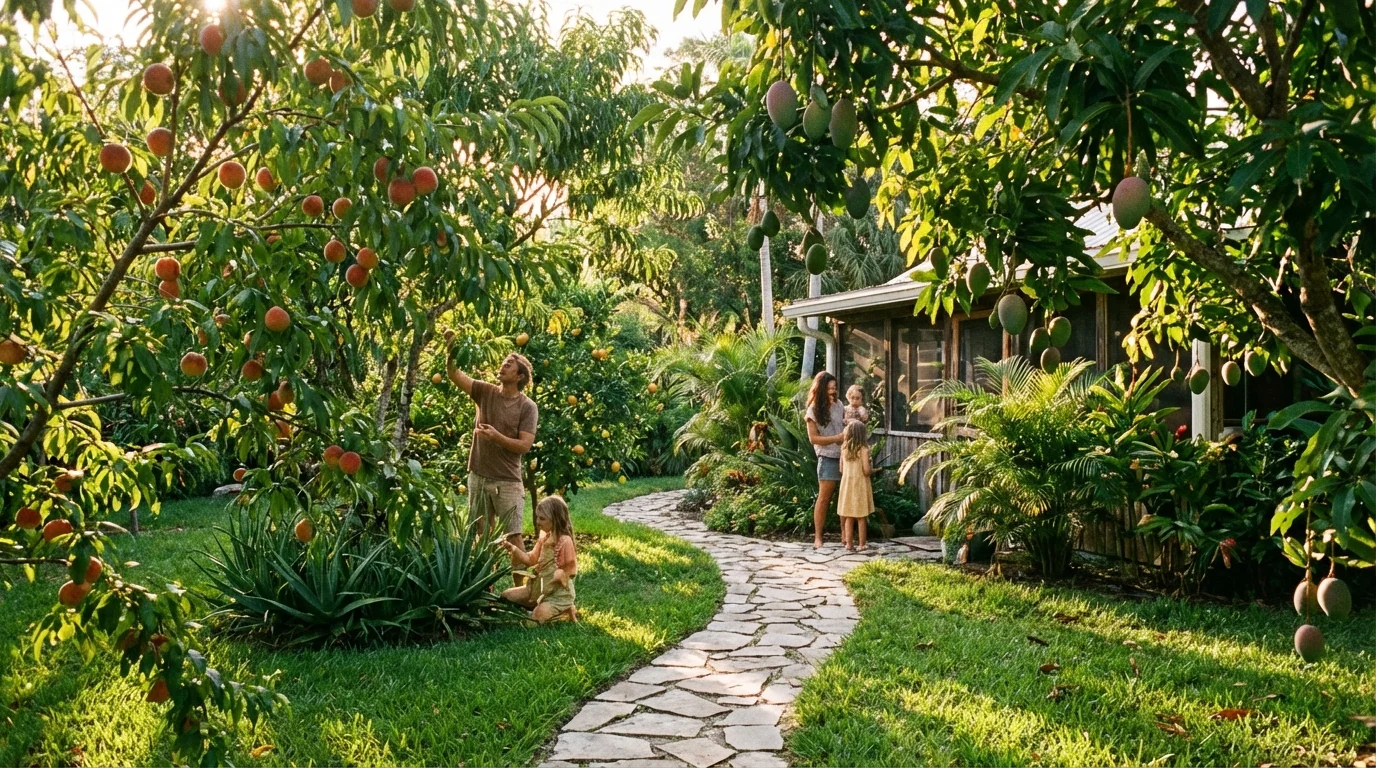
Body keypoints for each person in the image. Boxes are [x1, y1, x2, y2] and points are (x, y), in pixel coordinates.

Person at [446, 332, 538, 571]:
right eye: (503, 362)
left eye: (509, 365)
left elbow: (525, 445)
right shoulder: (485, 392)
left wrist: (496, 437)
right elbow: (454, 375)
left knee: (513, 537)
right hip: (478, 475)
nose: (503, 366)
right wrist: (452, 348)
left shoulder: (527, 407)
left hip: (507, 480)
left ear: (519, 376)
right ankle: (486, 589)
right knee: (480, 532)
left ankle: (522, 593)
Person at [501, 496, 577, 623]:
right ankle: (537, 605)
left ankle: (565, 611)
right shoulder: (545, 537)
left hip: (557, 594)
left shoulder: (565, 541)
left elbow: (570, 568)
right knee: (505, 596)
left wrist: (560, 574)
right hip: (538, 589)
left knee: (536, 618)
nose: (537, 521)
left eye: (542, 518)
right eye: (537, 517)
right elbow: (530, 559)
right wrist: (513, 549)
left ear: (556, 520)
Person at [805, 370, 846, 549]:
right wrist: (836, 438)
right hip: (827, 457)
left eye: (834, 387)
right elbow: (813, 439)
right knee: (824, 499)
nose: (832, 391)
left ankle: (846, 536)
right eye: (829, 388)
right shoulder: (812, 411)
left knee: (845, 497)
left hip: (845, 457)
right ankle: (818, 537)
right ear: (821, 389)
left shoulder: (839, 405)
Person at [837, 420, 875, 550]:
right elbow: (865, 470)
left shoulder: (843, 448)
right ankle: (862, 544)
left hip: (847, 484)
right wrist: (872, 470)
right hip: (859, 484)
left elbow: (841, 470)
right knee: (861, 516)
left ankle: (849, 544)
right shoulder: (864, 449)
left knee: (848, 515)